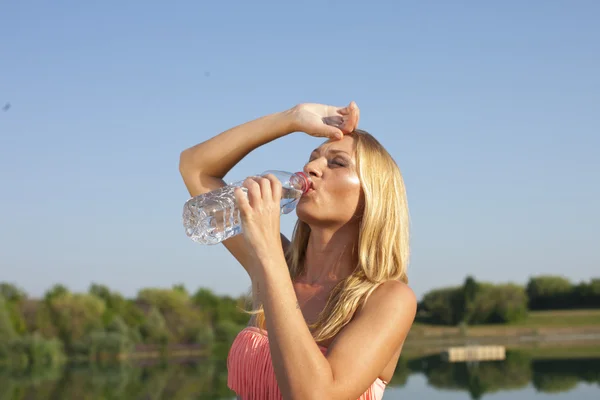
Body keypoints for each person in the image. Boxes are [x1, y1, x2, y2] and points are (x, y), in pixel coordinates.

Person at [179, 101, 417, 400]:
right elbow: (194, 166)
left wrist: (266, 252)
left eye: (337, 163)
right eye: (312, 158)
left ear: (373, 196)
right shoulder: (281, 266)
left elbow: (316, 395)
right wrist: (291, 119)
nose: (311, 168)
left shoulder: (389, 299)